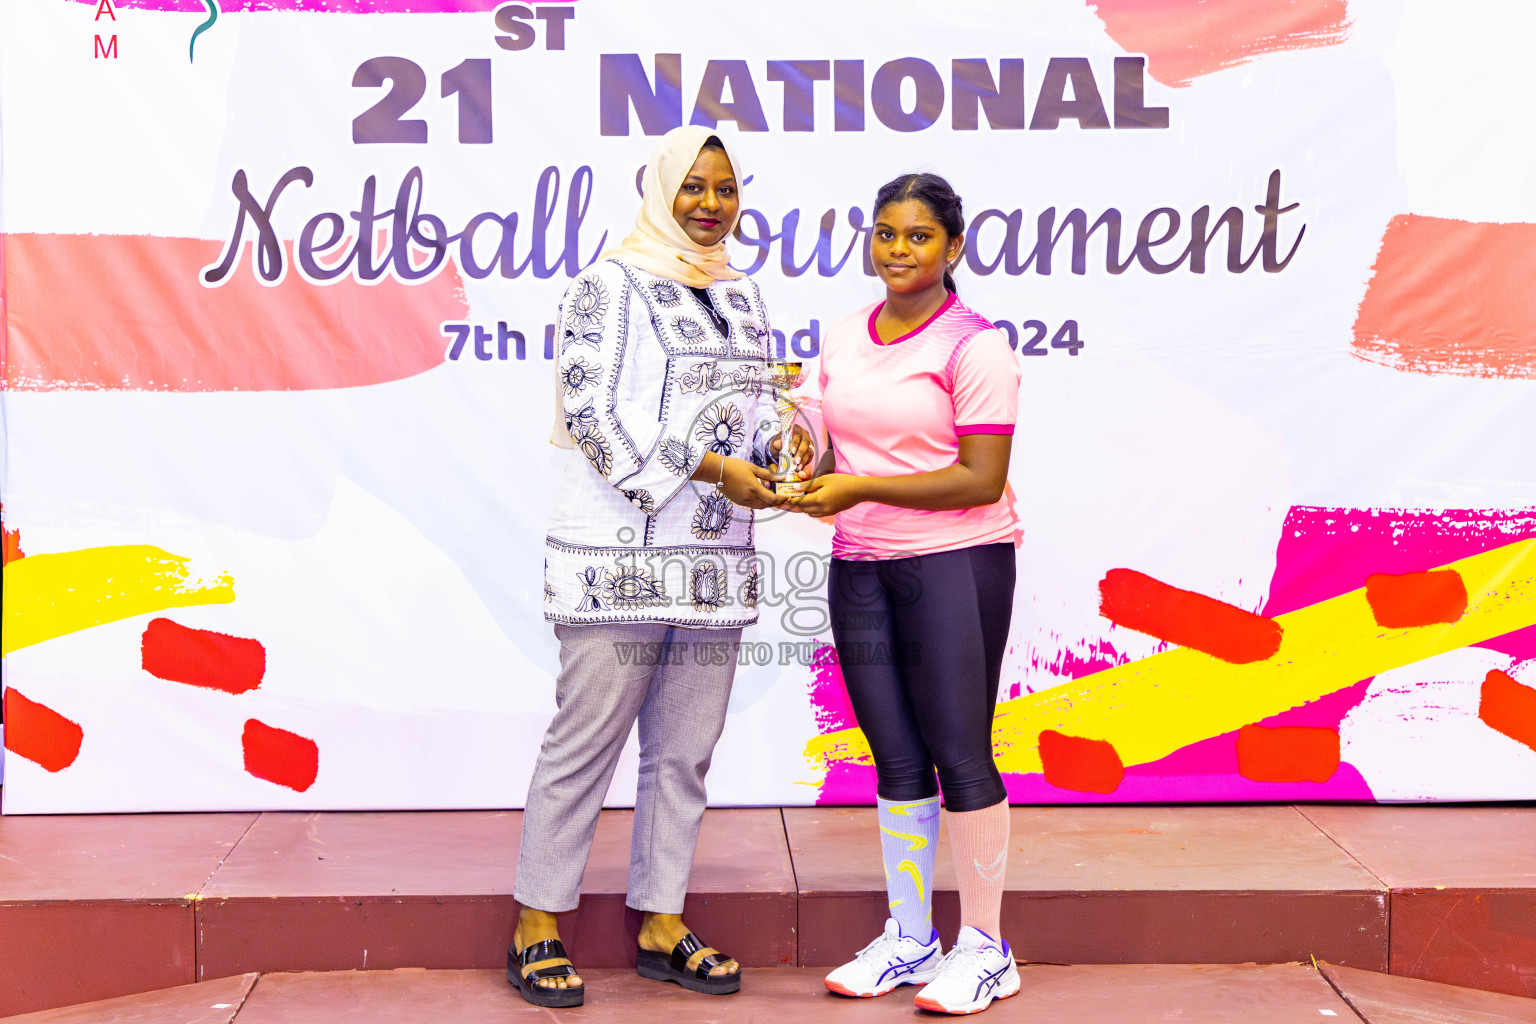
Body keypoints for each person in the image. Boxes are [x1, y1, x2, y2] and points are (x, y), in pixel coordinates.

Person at [510, 125, 809, 1009]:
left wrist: (785, 452)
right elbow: (595, 416)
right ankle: (536, 921)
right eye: (694, 187)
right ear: (659, 188)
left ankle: (661, 919)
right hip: (617, 558)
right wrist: (714, 467)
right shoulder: (608, 284)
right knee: (585, 743)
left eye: (724, 189)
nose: (710, 205)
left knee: (684, 753)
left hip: (716, 559)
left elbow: (758, 410)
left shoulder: (745, 294)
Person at [792, 172, 1022, 1015]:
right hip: (861, 564)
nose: (899, 250)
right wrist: (789, 452)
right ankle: (911, 938)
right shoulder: (845, 335)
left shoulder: (975, 345)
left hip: (956, 561)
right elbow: (814, 444)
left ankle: (988, 949)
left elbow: (979, 479)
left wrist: (858, 488)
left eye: (919, 236)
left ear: (954, 247)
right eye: (886, 233)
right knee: (893, 759)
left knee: (959, 754)